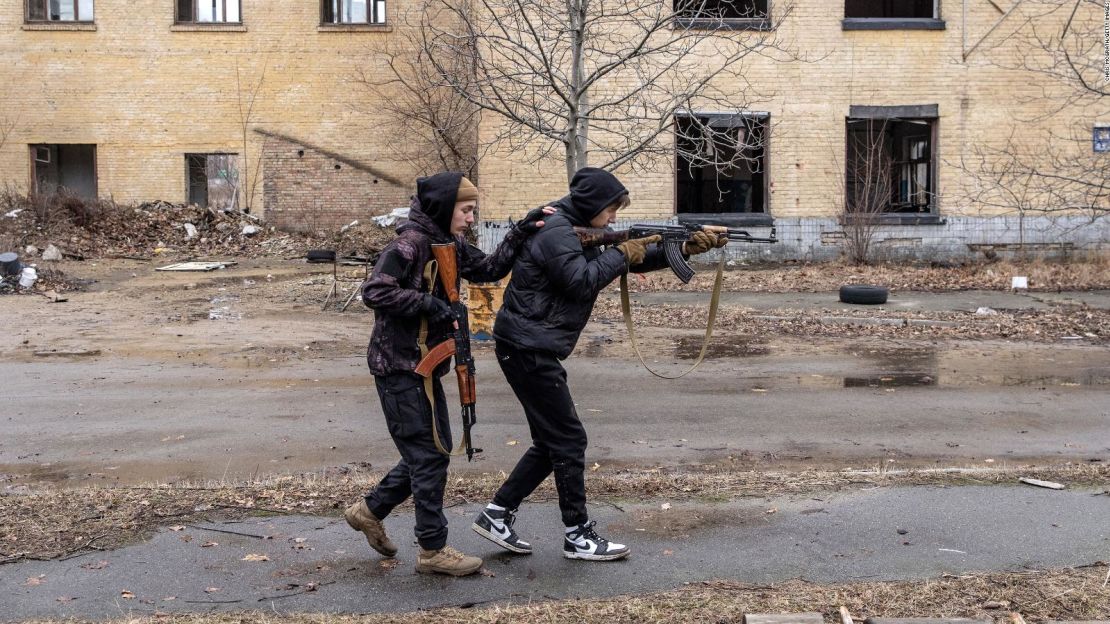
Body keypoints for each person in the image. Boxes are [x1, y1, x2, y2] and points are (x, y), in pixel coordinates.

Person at [471, 167, 724, 561]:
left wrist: (686, 247)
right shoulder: (556, 233)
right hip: (527, 347)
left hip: (529, 344)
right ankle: (577, 536)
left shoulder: (574, 227)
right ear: (592, 206)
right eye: (610, 210)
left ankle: (497, 514)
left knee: (551, 441)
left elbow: (628, 259)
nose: (614, 218)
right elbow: (580, 280)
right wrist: (622, 254)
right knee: (569, 441)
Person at [344, 172, 552, 576]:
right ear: (445, 207)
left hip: (423, 365)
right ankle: (432, 550)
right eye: (467, 210)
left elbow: (489, 268)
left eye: (474, 210)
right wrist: (424, 303)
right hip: (398, 367)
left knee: (433, 451)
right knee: (428, 456)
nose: (472, 218)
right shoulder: (411, 244)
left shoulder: (448, 242)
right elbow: (375, 291)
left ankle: (369, 511)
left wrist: (521, 232)